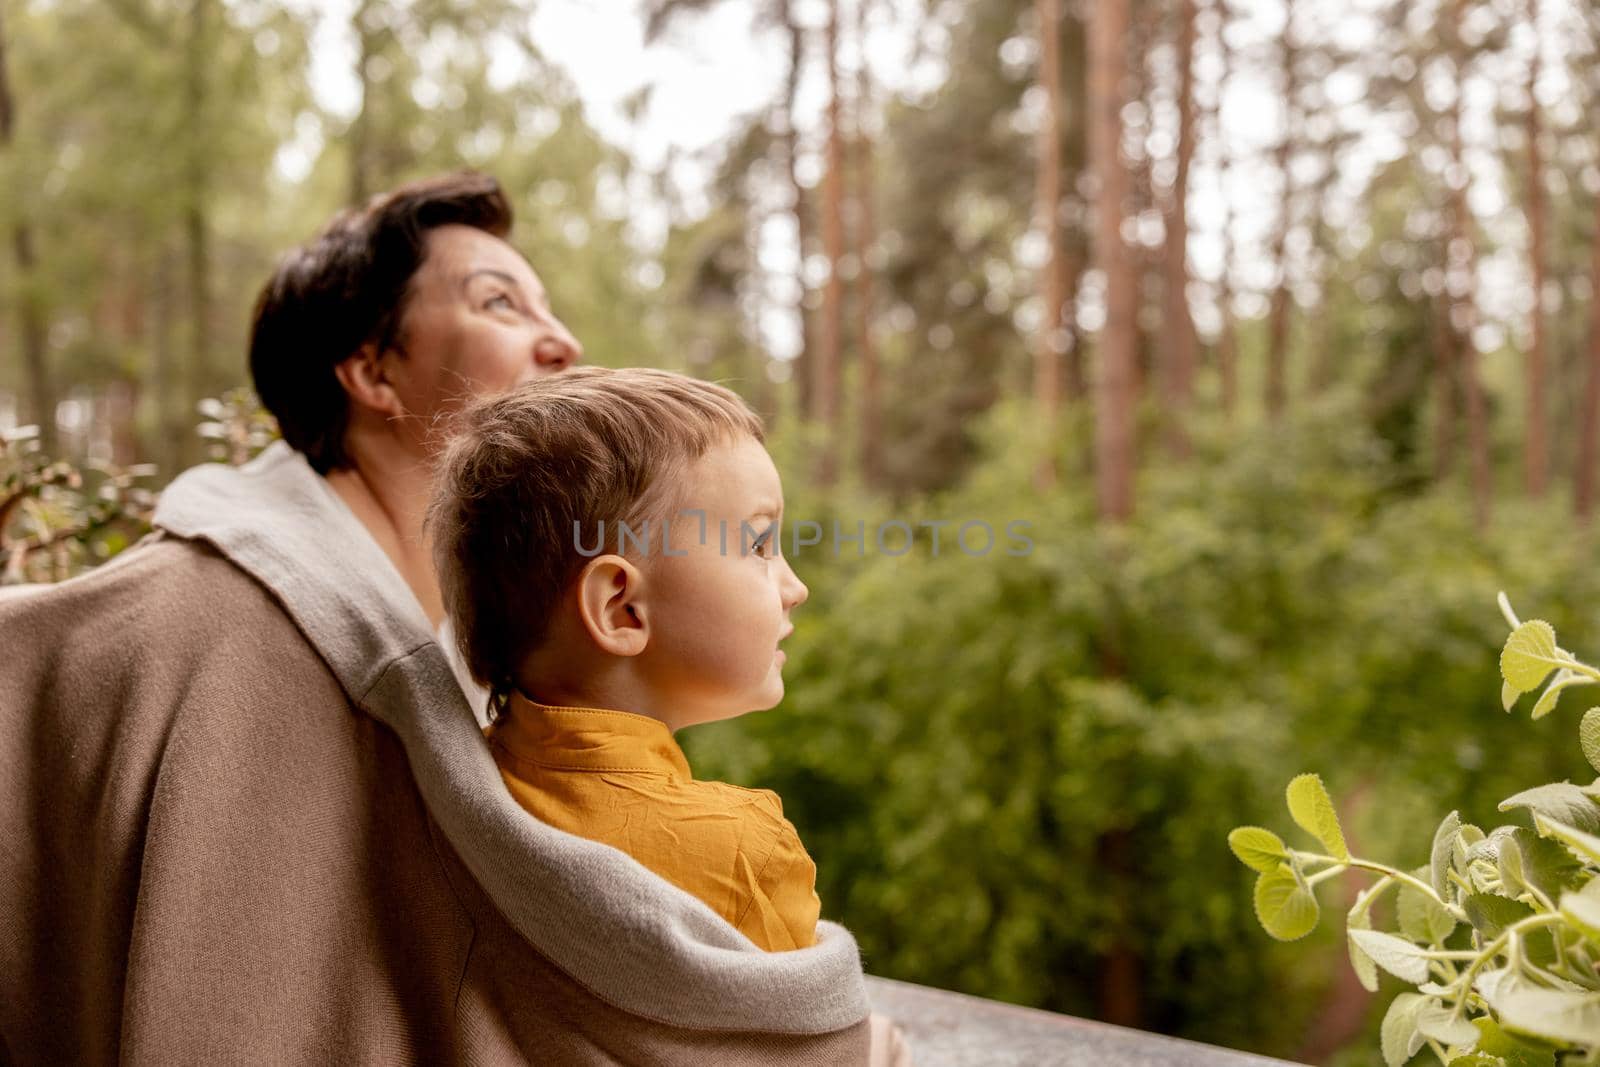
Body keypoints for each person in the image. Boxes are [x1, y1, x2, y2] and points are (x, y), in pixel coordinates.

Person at [0, 172, 901, 1063]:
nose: (563, 341)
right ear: (372, 369)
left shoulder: (468, 669)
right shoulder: (240, 632)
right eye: (501, 303)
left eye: (548, 307)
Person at [430, 367, 819, 953]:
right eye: (759, 545)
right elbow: (814, 1042)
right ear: (621, 609)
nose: (795, 587)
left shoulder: (450, 796)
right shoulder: (743, 854)